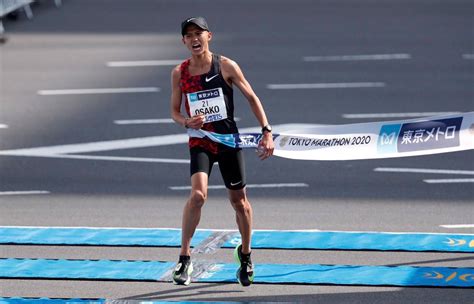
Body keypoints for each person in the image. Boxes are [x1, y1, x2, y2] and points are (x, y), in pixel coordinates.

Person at [170, 16, 274, 287]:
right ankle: (184, 257)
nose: (194, 39)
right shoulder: (179, 72)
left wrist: (266, 130)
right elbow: (174, 111)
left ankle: (246, 254)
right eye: (189, 35)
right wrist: (186, 122)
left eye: (199, 34)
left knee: (239, 202)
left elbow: (252, 97)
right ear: (183, 41)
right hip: (201, 141)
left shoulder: (226, 65)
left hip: (228, 141)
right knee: (198, 195)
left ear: (209, 36)